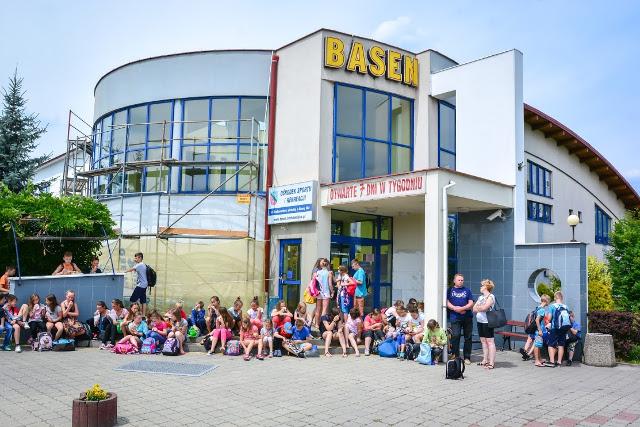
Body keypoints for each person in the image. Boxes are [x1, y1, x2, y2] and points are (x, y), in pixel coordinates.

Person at [447, 273, 474, 364]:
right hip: (455, 317)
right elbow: (447, 302)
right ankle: (456, 355)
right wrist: (455, 308)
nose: (461, 281)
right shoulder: (450, 290)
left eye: (462, 280)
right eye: (459, 280)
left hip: (467, 317)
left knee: (468, 337)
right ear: (454, 281)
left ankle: (467, 357)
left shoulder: (467, 290)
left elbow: (471, 303)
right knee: (456, 335)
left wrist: (462, 308)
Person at [473, 279, 497, 370]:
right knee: (483, 341)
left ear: (486, 287)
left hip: (487, 322)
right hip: (480, 321)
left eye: (482, 285)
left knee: (490, 342)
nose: (480, 287)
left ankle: (491, 363)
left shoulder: (491, 296)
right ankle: (485, 360)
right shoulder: (480, 297)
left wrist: (480, 308)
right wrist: (480, 308)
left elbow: (485, 308)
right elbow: (474, 309)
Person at [547, 291, 571, 368]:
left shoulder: (552, 306)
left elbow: (549, 318)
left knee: (551, 345)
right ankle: (559, 362)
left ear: (555, 298)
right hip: (563, 328)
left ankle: (552, 362)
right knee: (561, 345)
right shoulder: (566, 307)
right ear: (562, 298)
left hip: (555, 328)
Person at [531, 294, 551, 367]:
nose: (549, 302)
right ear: (546, 301)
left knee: (538, 345)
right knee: (537, 345)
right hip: (539, 330)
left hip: (537, 330)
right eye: (549, 301)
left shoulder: (538, 308)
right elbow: (537, 320)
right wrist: (540, 330)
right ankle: (537, 361)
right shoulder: (542, 310)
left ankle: (539, 359)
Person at [314, 258, 334, 328]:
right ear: (327, 265)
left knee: (318, 309)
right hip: (326, 292)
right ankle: (323, 325)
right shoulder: (329, 273)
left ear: (321, 265)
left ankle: (316, 324)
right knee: (324, 309)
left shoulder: (317, 272)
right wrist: (332, 292)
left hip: (319, 292)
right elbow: (330, 284)